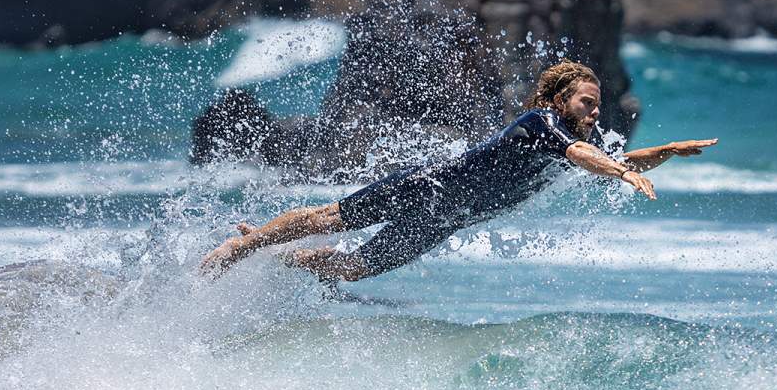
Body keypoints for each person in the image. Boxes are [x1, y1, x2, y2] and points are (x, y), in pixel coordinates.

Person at [200, 60, 718, 282]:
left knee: (353, 268)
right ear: (561, 99)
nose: (595, 111)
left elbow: (615, 159)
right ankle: (241, 246)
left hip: (445, 218)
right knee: (327, 217)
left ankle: (280, 258)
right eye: (587, 102)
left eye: (597, 103)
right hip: (427, 187)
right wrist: (623, 175)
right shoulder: (541, 125)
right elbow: (588, 157)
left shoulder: (572, 142)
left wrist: (668, 150)